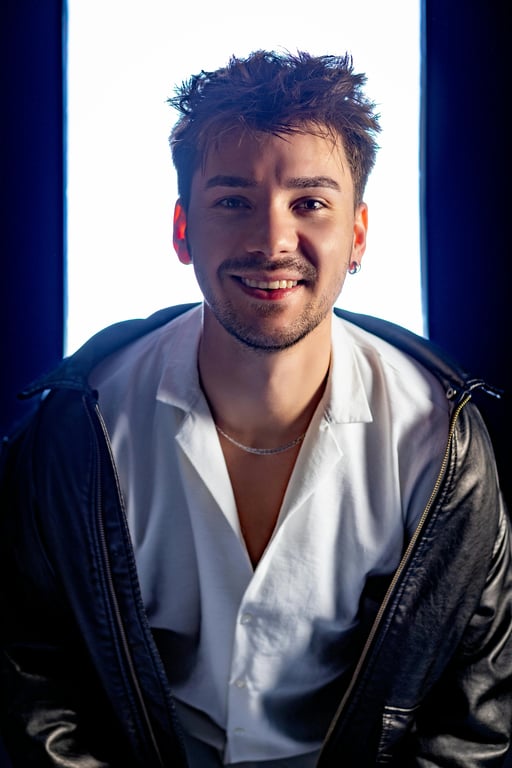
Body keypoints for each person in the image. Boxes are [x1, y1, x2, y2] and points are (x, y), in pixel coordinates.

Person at [1, 49, 511, 768]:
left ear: (358, 234)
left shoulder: (439, 444)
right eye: (233, 201)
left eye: (310, 203)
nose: (272, 242)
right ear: (183, 229)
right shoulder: (78, 430)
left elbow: (472, 723)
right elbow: (30, 686)